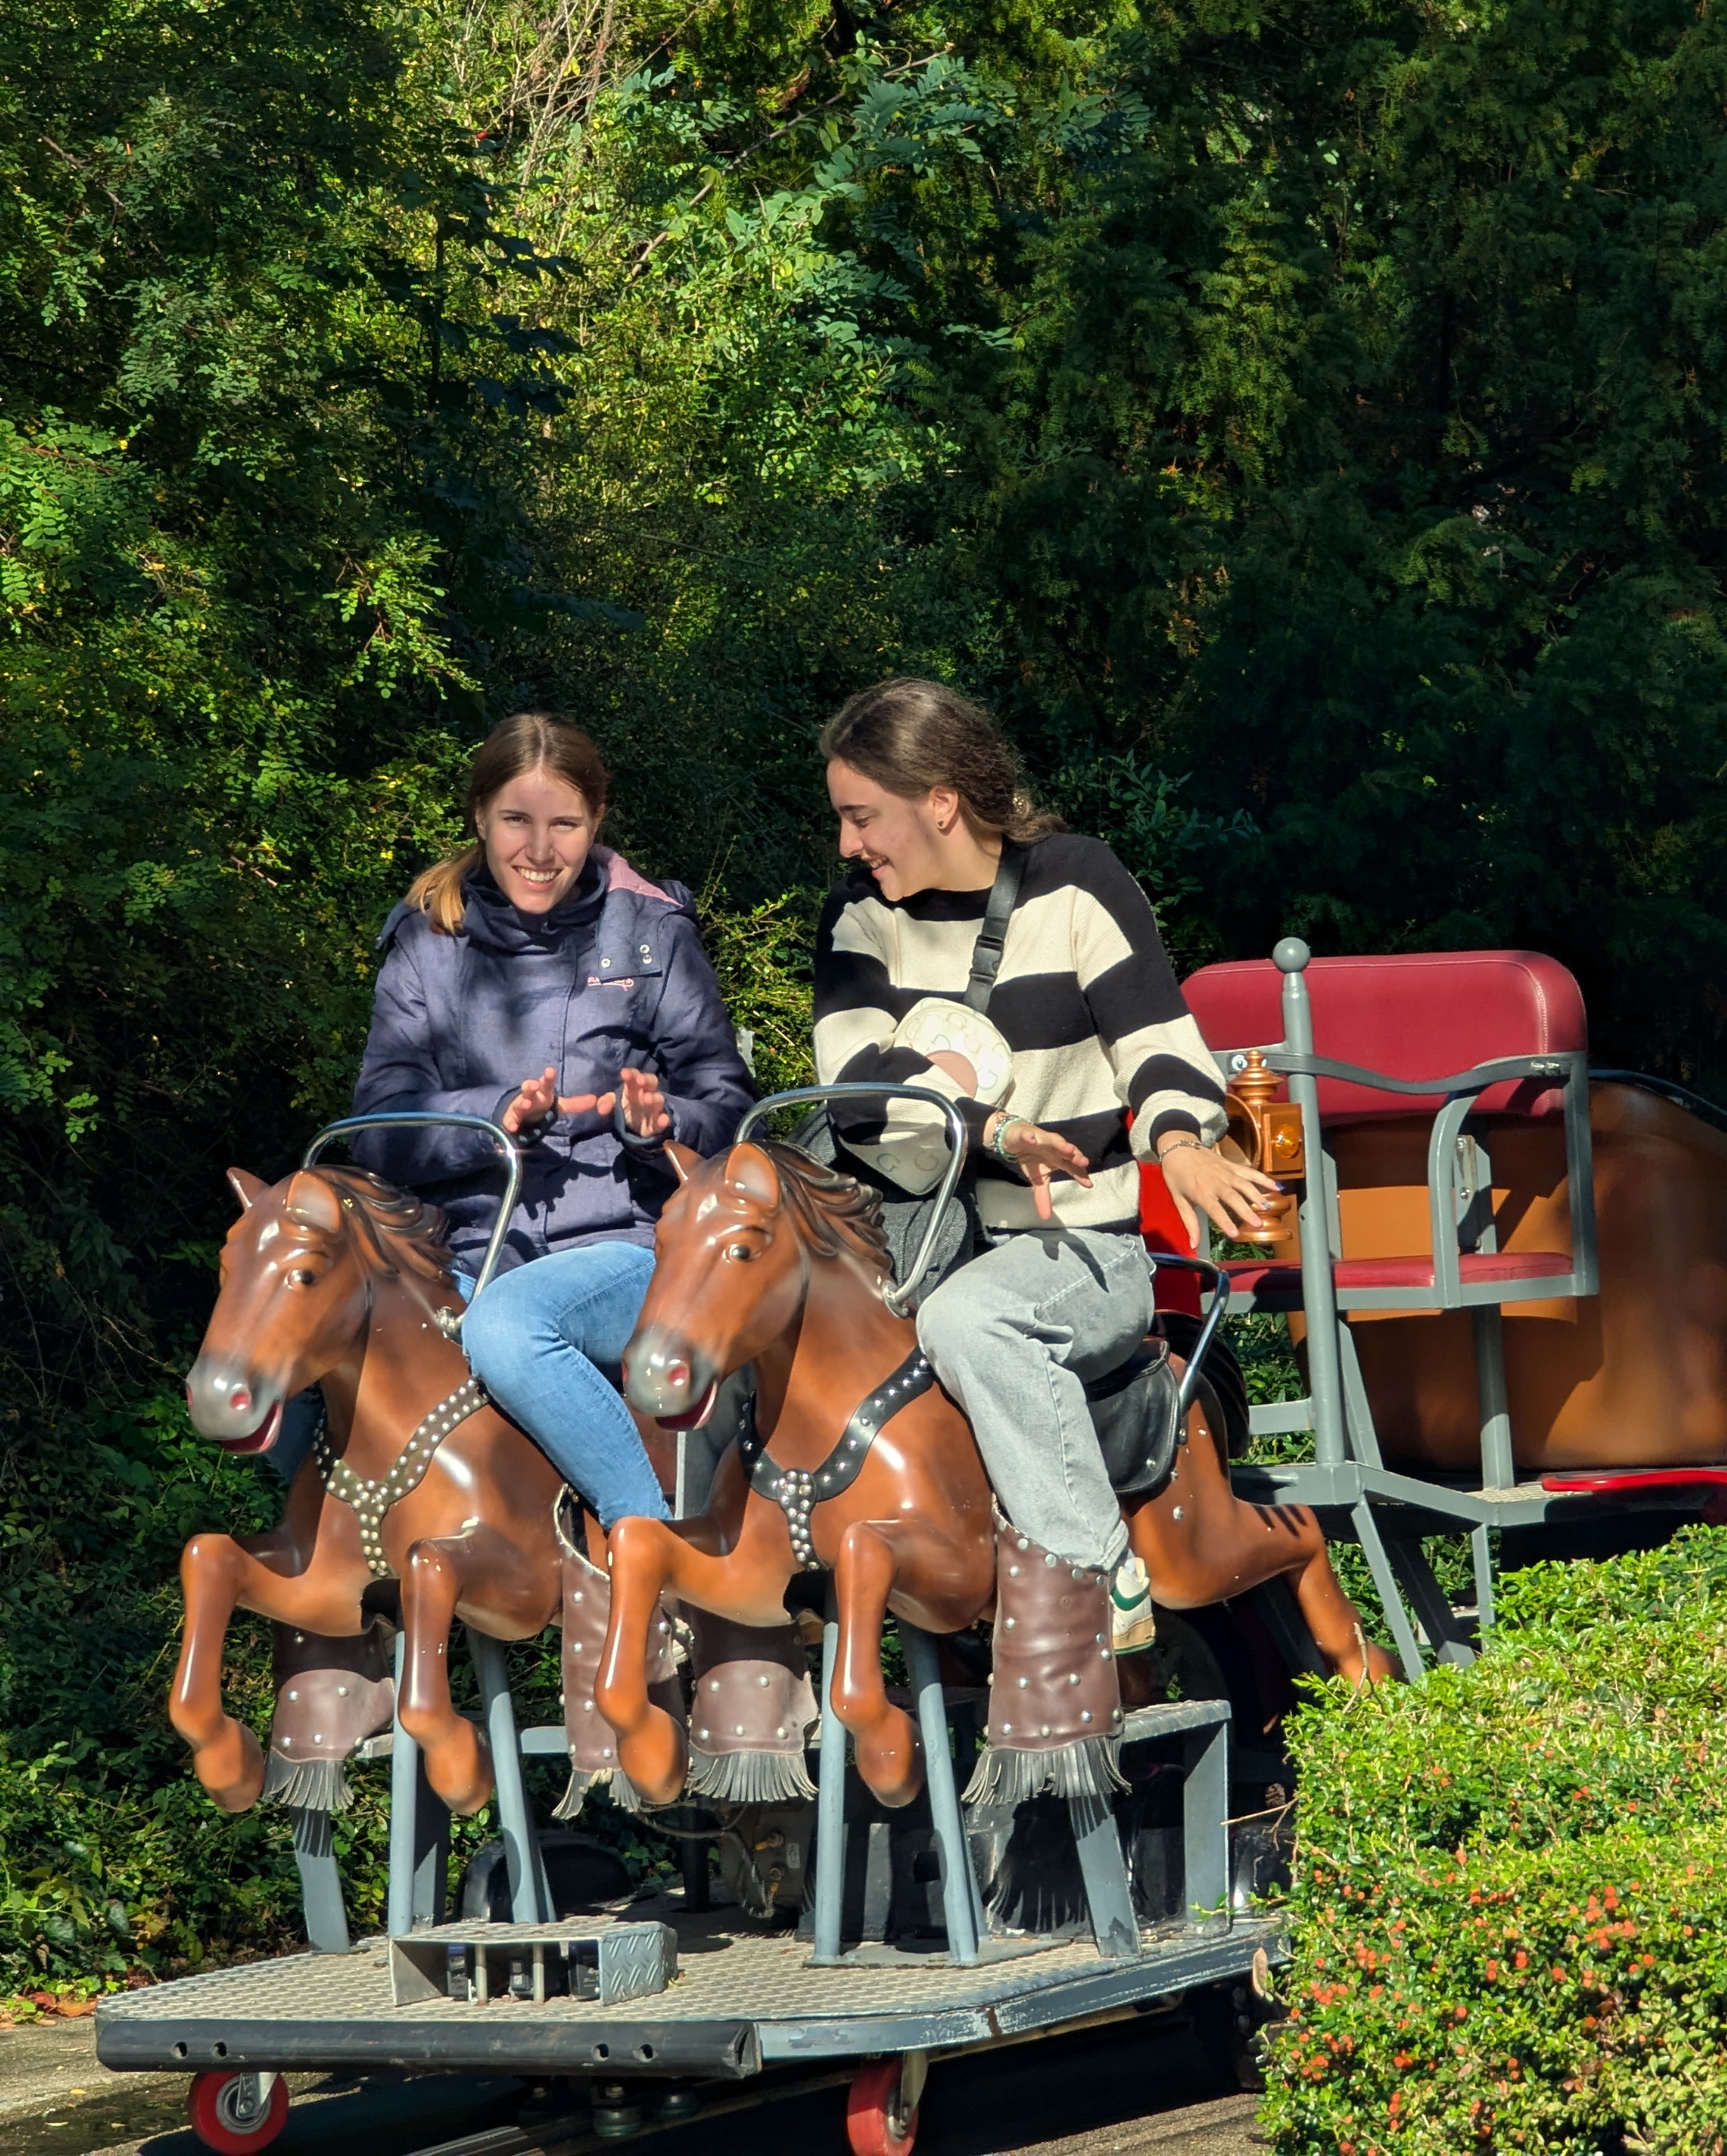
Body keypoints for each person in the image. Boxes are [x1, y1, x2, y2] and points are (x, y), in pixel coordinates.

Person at [812, 678, 1279, 1648]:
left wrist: (1181, 1145)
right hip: (913, 1251)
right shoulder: (859, 915)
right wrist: (990, 1131)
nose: (848, 844)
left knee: (970, 1318)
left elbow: (1158, 1046)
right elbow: (855, 1094)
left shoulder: (1078, 882)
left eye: (862, 817)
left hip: (1083, 1250)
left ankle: (1096, 1579)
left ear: (941, 801)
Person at [338, 711, 755, 1526]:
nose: (539, 849)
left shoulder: (653, 934)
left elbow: (733, 1112)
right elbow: (380, 1129)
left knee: (509, 1327)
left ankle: (646, 1544)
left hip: (633, 1248)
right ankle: (334, 1591)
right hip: (459, 1252)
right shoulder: (426, 941)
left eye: (564, 824)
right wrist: (496, 1116)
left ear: (596, 820)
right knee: (316, 1319)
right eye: (515, 821)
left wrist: (658, 1124)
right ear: (479, 818)